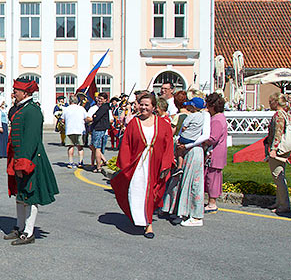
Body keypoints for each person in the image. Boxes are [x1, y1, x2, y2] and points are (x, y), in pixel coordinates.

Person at [110, 92, 174, 239]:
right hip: (137, 164)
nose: (143, 108)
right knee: (137, 191)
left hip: (155, 163)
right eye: (141, 105)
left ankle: (148, 223)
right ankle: (141, 218)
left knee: (151, 192)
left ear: (153, 107)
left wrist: (166, 164)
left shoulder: (163, 124)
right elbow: (125, 145)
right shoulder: (134, 123)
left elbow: (168, 145)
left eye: (147, 105)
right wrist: (125, 165)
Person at [3, 79, 58, 245]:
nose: (13, 93)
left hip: (29, 159)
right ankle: (19, 226)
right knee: (20, 194)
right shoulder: (22, 109)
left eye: (16, 91)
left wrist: (22, 163)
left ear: (25, 93)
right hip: (17, 158)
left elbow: (30, 140)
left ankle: (28, 231)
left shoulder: (32, 111)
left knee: (30, 195)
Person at [166, 97, 210, 226]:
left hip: (194, 149)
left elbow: (205, 135)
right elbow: (181, 131)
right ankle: (178, 209)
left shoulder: (204, 115)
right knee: (180, 180)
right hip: (185, 148)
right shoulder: (190, 116)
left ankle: (195, 215)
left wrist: (188, 145)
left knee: (193, 182)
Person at [264, 93, 291, 214]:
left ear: (276, 102)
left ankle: (284, 204)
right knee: (280, 174)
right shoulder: (286, 113)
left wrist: (273, 149)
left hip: (279, 149)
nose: (269, 103)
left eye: (271, 101)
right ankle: (280, 201)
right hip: (286, 148)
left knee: (278, 175)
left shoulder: (278, 114)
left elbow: (278, 132)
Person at [204, 93, 228, 213]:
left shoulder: (217, 119)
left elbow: (213, 138)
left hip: (214, 153)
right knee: (213, 177)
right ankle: (211, 201)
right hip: (217, 152)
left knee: (212, 178)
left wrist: (202, 140)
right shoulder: (220, 117)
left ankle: (212, 202)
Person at [86, 92, 111, 173]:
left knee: (97, 148)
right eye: (98, 99)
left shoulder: (104, 107)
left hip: (99, 129)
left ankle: (98, 166)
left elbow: (96, 117)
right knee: (93, 146)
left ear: (105, 100)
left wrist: (93, 117)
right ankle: (103, 160)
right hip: (97, 128)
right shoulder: (102, 107)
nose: (99, 101)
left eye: (101, 99)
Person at [62, 95, 86, 167]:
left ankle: (70, 162)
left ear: (70, 101)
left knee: (70, 146)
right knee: (80, 147)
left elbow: (63, 119)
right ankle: (80, 162)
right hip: (80, 129)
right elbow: (86, 117)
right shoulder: (81, 108)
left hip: (70, 129)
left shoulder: (66, 109)